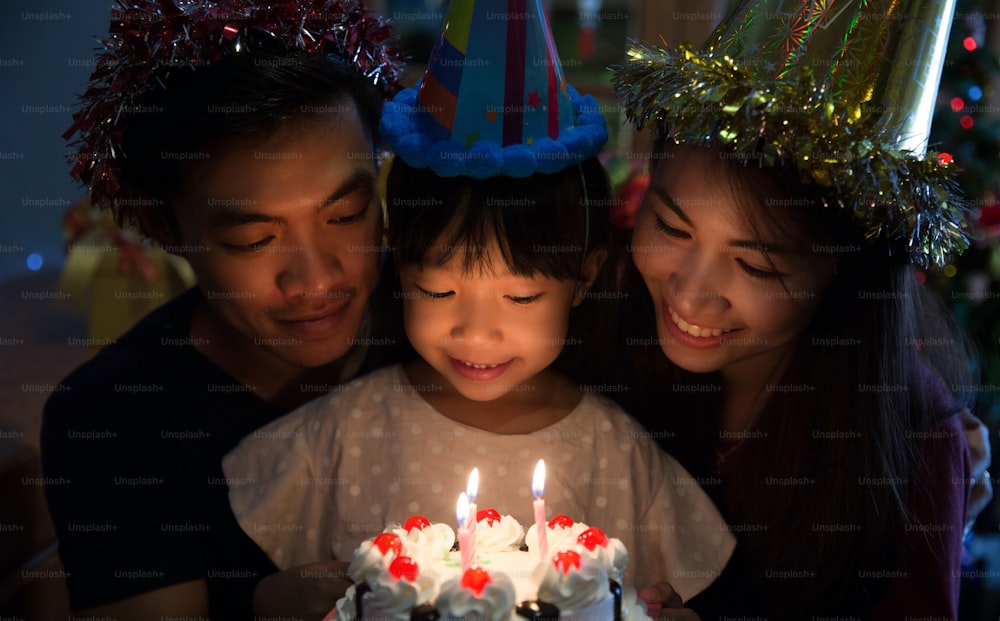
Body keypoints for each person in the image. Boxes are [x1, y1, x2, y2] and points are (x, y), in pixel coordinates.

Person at [222, 1, 736, 618]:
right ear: (398, 268)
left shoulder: (616, 454)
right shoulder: (342, 434)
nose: (476, 332)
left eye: (520, 296)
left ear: (584, 276)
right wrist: (269, 601)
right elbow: (274, 594)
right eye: (438, 292)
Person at [610, 0, 987, 618]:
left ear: (841, 272)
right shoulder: (601, 334)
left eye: (756, 266)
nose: (691, 292)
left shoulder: (910, 446)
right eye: (673, 228)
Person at [41, 1, 402, 618]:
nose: (315, 278)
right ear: (164, 226)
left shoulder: (458, 321)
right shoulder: (113, 418)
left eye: (345, 215)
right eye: (251, 240)